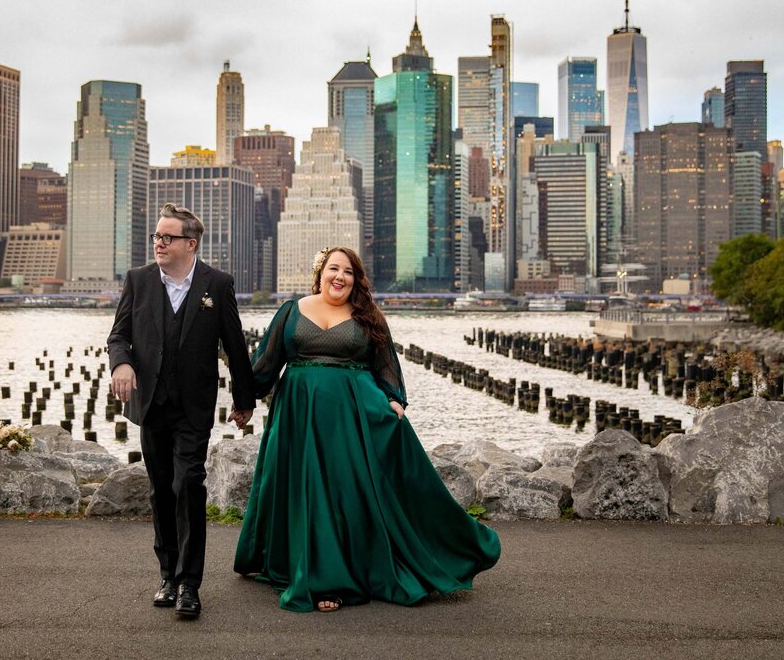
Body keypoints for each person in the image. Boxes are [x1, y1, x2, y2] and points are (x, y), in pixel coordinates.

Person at [234, 247, 500, 612]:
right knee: (310, 491)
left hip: (352, 416)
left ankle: (339, 576)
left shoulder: (367, 316)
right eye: (333, 269)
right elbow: (265, 361)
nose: (339, 276)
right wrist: (244, 401)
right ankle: (315, 573)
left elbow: (386, 363)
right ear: (321, 272)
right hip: (299, 415)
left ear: (356, 280)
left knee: (343, 493)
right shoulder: (292, 310)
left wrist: (393, 399)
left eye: (348, 271)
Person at [108, 203, 257, 620]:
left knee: (188, 485)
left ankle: (190, 584)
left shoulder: (217, 284)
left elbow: (233, 344)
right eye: (157, 236)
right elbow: (118, 335)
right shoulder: (138, 281)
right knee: (160, 491)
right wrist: (121, 363)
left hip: (193, 406)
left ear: (190, 244)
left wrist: (243, 400)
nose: (159, 242)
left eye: (167, 237)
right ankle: (167, 577)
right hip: (151, 404)